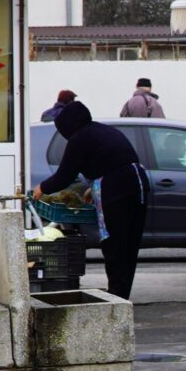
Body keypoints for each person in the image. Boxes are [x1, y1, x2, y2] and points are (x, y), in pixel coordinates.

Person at [39, 99, 150, 300]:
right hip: (138, 182)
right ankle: (122, 293)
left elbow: (64, 176)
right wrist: (94, 185)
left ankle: (116, 295)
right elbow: (113, 160)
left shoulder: (79, 138)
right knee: (129, 243)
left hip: (117, 187)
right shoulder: (102, 130)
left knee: (113, 243)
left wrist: (41, 188)